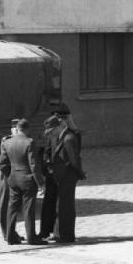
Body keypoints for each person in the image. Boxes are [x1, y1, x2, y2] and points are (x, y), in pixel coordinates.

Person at [0, 118, 47, 245]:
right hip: (27, 179)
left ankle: (10, 237)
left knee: (12, 208)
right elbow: (34, 165)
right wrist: (41, 183)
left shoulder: (7, 143)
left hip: (13, 179)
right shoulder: (29, 142)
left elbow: (2, 164)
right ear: (27, 129)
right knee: (28, 209)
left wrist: (10, 176)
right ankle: (32, 238)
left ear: (17, 129)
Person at [39, 103, 81, 240]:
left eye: (64, 116)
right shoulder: (53, 133)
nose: (61, 118)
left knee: (62, 204)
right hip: (52, 172)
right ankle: (46, 231)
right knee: (49, 202)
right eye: (58, 116)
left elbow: (75, 151)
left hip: (63, 172)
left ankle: (59, 232)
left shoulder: (71, 133)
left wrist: (72, 125)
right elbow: (47, 150)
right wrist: (47, 166)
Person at [0, 118, 24, 243]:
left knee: (13, 207)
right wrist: (11, 176)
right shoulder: (7, 141)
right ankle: (8, 234)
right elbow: (3, 164)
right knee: (6, 206)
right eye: (15, 128)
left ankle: (12, 232)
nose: (16, 130)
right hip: (6, 177)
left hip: (13, 176)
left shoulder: (18, 140)